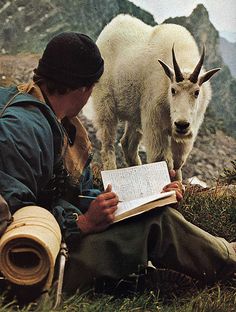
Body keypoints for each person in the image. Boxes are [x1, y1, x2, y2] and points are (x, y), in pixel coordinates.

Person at [0, 32, 235, 300]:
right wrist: (84, 223)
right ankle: (228, 261)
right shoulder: (20, 131)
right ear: (83, 88)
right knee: (156, 223)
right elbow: (16, 220)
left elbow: (59, 192)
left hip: (54, 243)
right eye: (92, 87)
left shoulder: (48, 115)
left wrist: (147, 196)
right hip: (33, 269)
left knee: (153, 210)